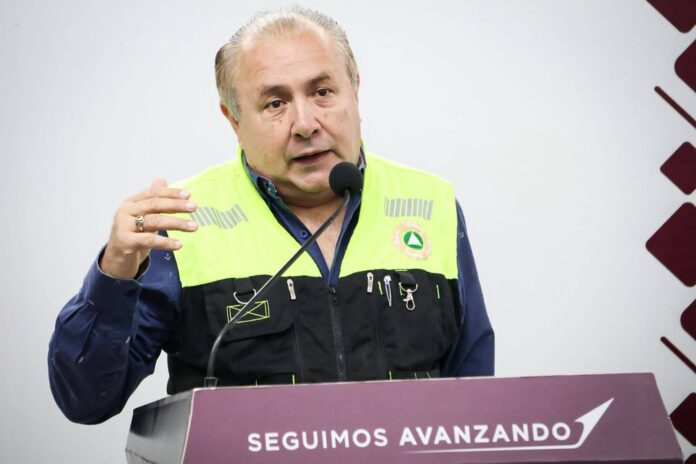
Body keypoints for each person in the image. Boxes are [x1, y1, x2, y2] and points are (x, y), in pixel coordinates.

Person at [48, 6, 494, 424]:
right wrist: (115, 273)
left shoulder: (430, 204)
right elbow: (87, 400)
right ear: (234, 120)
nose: (306, 123)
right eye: (275, 103)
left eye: (322, 92)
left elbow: (474, 399)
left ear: (355, 89)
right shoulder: (180, 221)